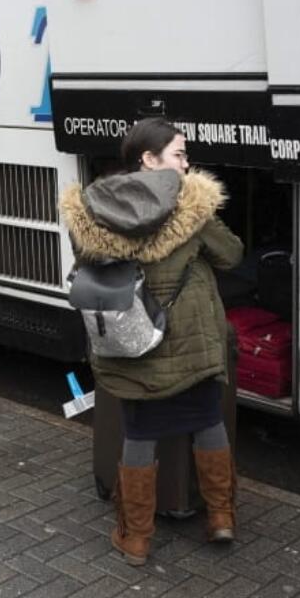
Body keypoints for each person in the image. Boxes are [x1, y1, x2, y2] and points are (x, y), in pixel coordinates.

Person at [60, 117, 244, 566]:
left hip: (131, 341)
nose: (187, 163)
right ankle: (220, 517)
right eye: (179, 154)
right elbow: (232, 254)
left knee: (139, 433)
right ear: (149, 158)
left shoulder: (95, 208)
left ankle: (136, 538)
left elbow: (87, 262)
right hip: (191, 344)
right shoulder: (191, 207)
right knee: (207, 422)